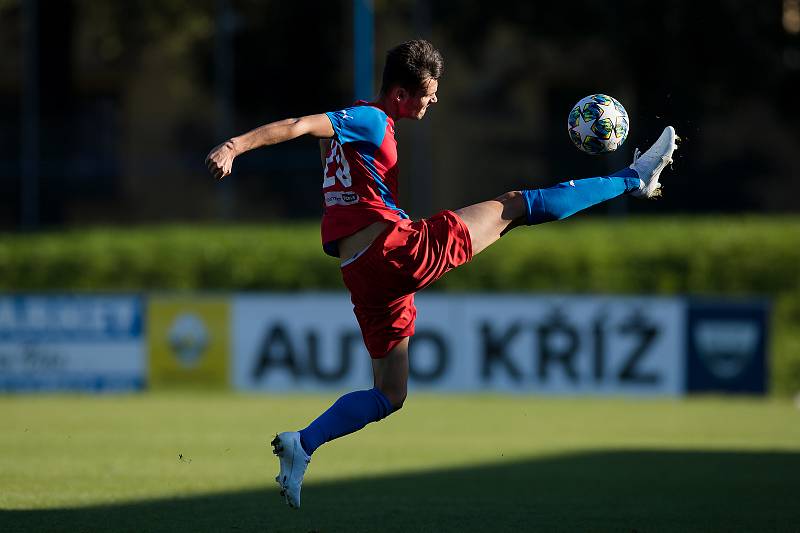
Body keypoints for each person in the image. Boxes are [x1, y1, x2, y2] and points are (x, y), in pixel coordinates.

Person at [205, 39, 677, 509]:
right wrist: (234, 145)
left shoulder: (354, 129)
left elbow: (316, 136)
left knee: (391, 392)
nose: (434, 100)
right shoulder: (369, 118)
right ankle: (633, 178)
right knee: (516, 206)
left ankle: (302, 445)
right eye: (429, 92)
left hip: (361, 273)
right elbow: (296, 125)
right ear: (401, 95)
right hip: (393, 254)